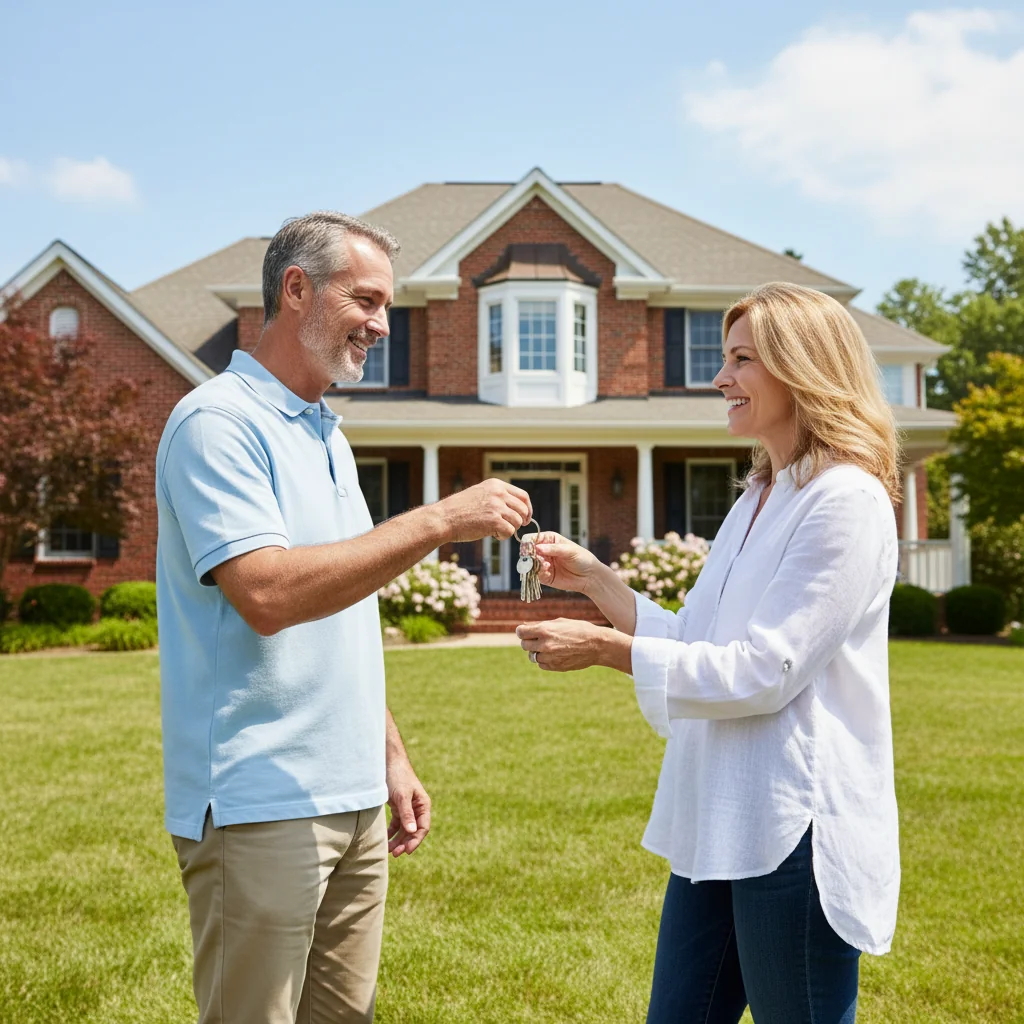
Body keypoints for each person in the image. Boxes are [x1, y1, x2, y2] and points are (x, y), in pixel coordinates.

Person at [156, 211, 531, 1024]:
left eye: (387, 306)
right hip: (260, 798)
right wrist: (437, 522)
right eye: (366, 300)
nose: (382, 325)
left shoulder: (327, 433)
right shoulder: (218, 424)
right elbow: (267, 595)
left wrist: (387, 751)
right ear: (297, 289)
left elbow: (341, 610)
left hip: (353, 794)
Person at [516, 282, 901, 1024]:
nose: (720, 379)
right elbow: (696, 641)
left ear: (803, 369)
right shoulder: (758, 496)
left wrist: (605, 651)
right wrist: (594, 580)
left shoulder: (844, 501)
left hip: (794, 832)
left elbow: (767, 670)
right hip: (718, 816)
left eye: (741, 360)